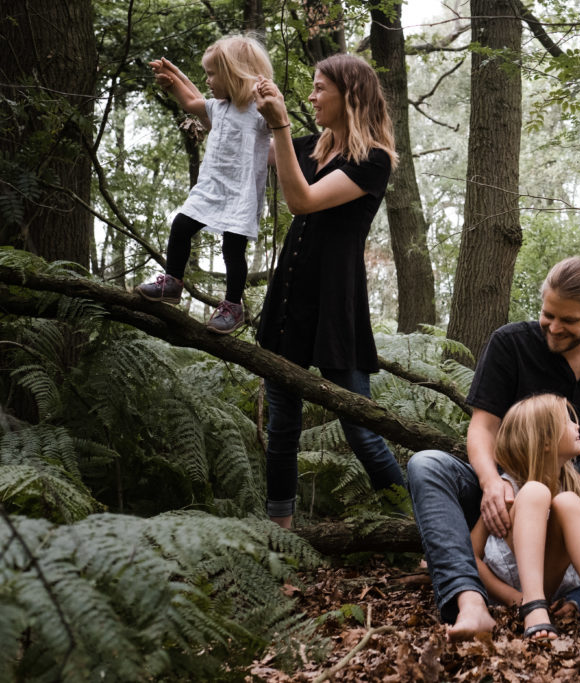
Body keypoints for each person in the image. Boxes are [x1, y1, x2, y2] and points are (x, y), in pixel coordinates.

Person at [409, 257, 580, 641]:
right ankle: (468, 599)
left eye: (569, 321)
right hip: (508, 482)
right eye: (548, 315)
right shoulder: (511, 343)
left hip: (578, 477)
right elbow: (482, 427)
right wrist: (491, 483)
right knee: (426, 464)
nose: (554, 328)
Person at [251, 54, 405, 529]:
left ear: (350, 95)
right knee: (282, 428)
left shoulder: (372, 160)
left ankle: (419, 522)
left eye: (320, 88)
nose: (312, 97)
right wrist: (201, 97)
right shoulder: (314, 149)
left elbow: (302, 202)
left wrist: (279, 126)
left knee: (361, 427)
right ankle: (282, 535)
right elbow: (245, 132)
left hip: (335, 306)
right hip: (288, 302)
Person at [136, 35, 274, 334]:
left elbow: (279, 126)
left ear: (234, 74)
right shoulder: (216, 108)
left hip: (241, 192)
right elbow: (188, 100)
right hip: (211, 187)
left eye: (212, 74)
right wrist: (171, 80)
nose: (207, 80)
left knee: (232, 249)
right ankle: (172, 283)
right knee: (181, 226)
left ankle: (232, 306)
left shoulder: (259, 112)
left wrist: (271, 99)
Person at [470, 394, 580, 642]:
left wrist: (579, 599)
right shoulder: (507, 488)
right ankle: (533, 607)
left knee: (568, 501)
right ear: (545, 441)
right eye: (567, 421)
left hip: (552, 585)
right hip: (517, 589)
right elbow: (471, 555)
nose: (577, 426)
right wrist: (513, 597)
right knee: (535, 492)